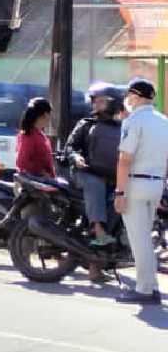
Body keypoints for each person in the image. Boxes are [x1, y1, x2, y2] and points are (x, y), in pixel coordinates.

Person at [114, 79, 168, 304]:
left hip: (135, 184)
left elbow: (125, 159)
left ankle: (144, 289)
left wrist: (119, 192)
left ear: (135, 95)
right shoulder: (163, 121)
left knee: (140, 240)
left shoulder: (133, 121)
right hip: (156, 184)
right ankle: (151, 286)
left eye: (129, 95)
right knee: (145, 238)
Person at [66, 83, 124, 248]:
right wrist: (76, 157)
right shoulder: (86, 124)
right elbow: (69, 147)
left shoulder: (123, 128)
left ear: (113, 103)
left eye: (100, 101)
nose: (95, 104)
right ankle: (98, 230)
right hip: (84, 173)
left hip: (111, 177)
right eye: (94, 101)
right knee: (95, 182)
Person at [15, 97, 56, 178]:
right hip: (35, 184)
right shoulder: (28, 135)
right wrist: (40, 171)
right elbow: (21, 163)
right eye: (50, 114)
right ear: (45, 114)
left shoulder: (39, 134)